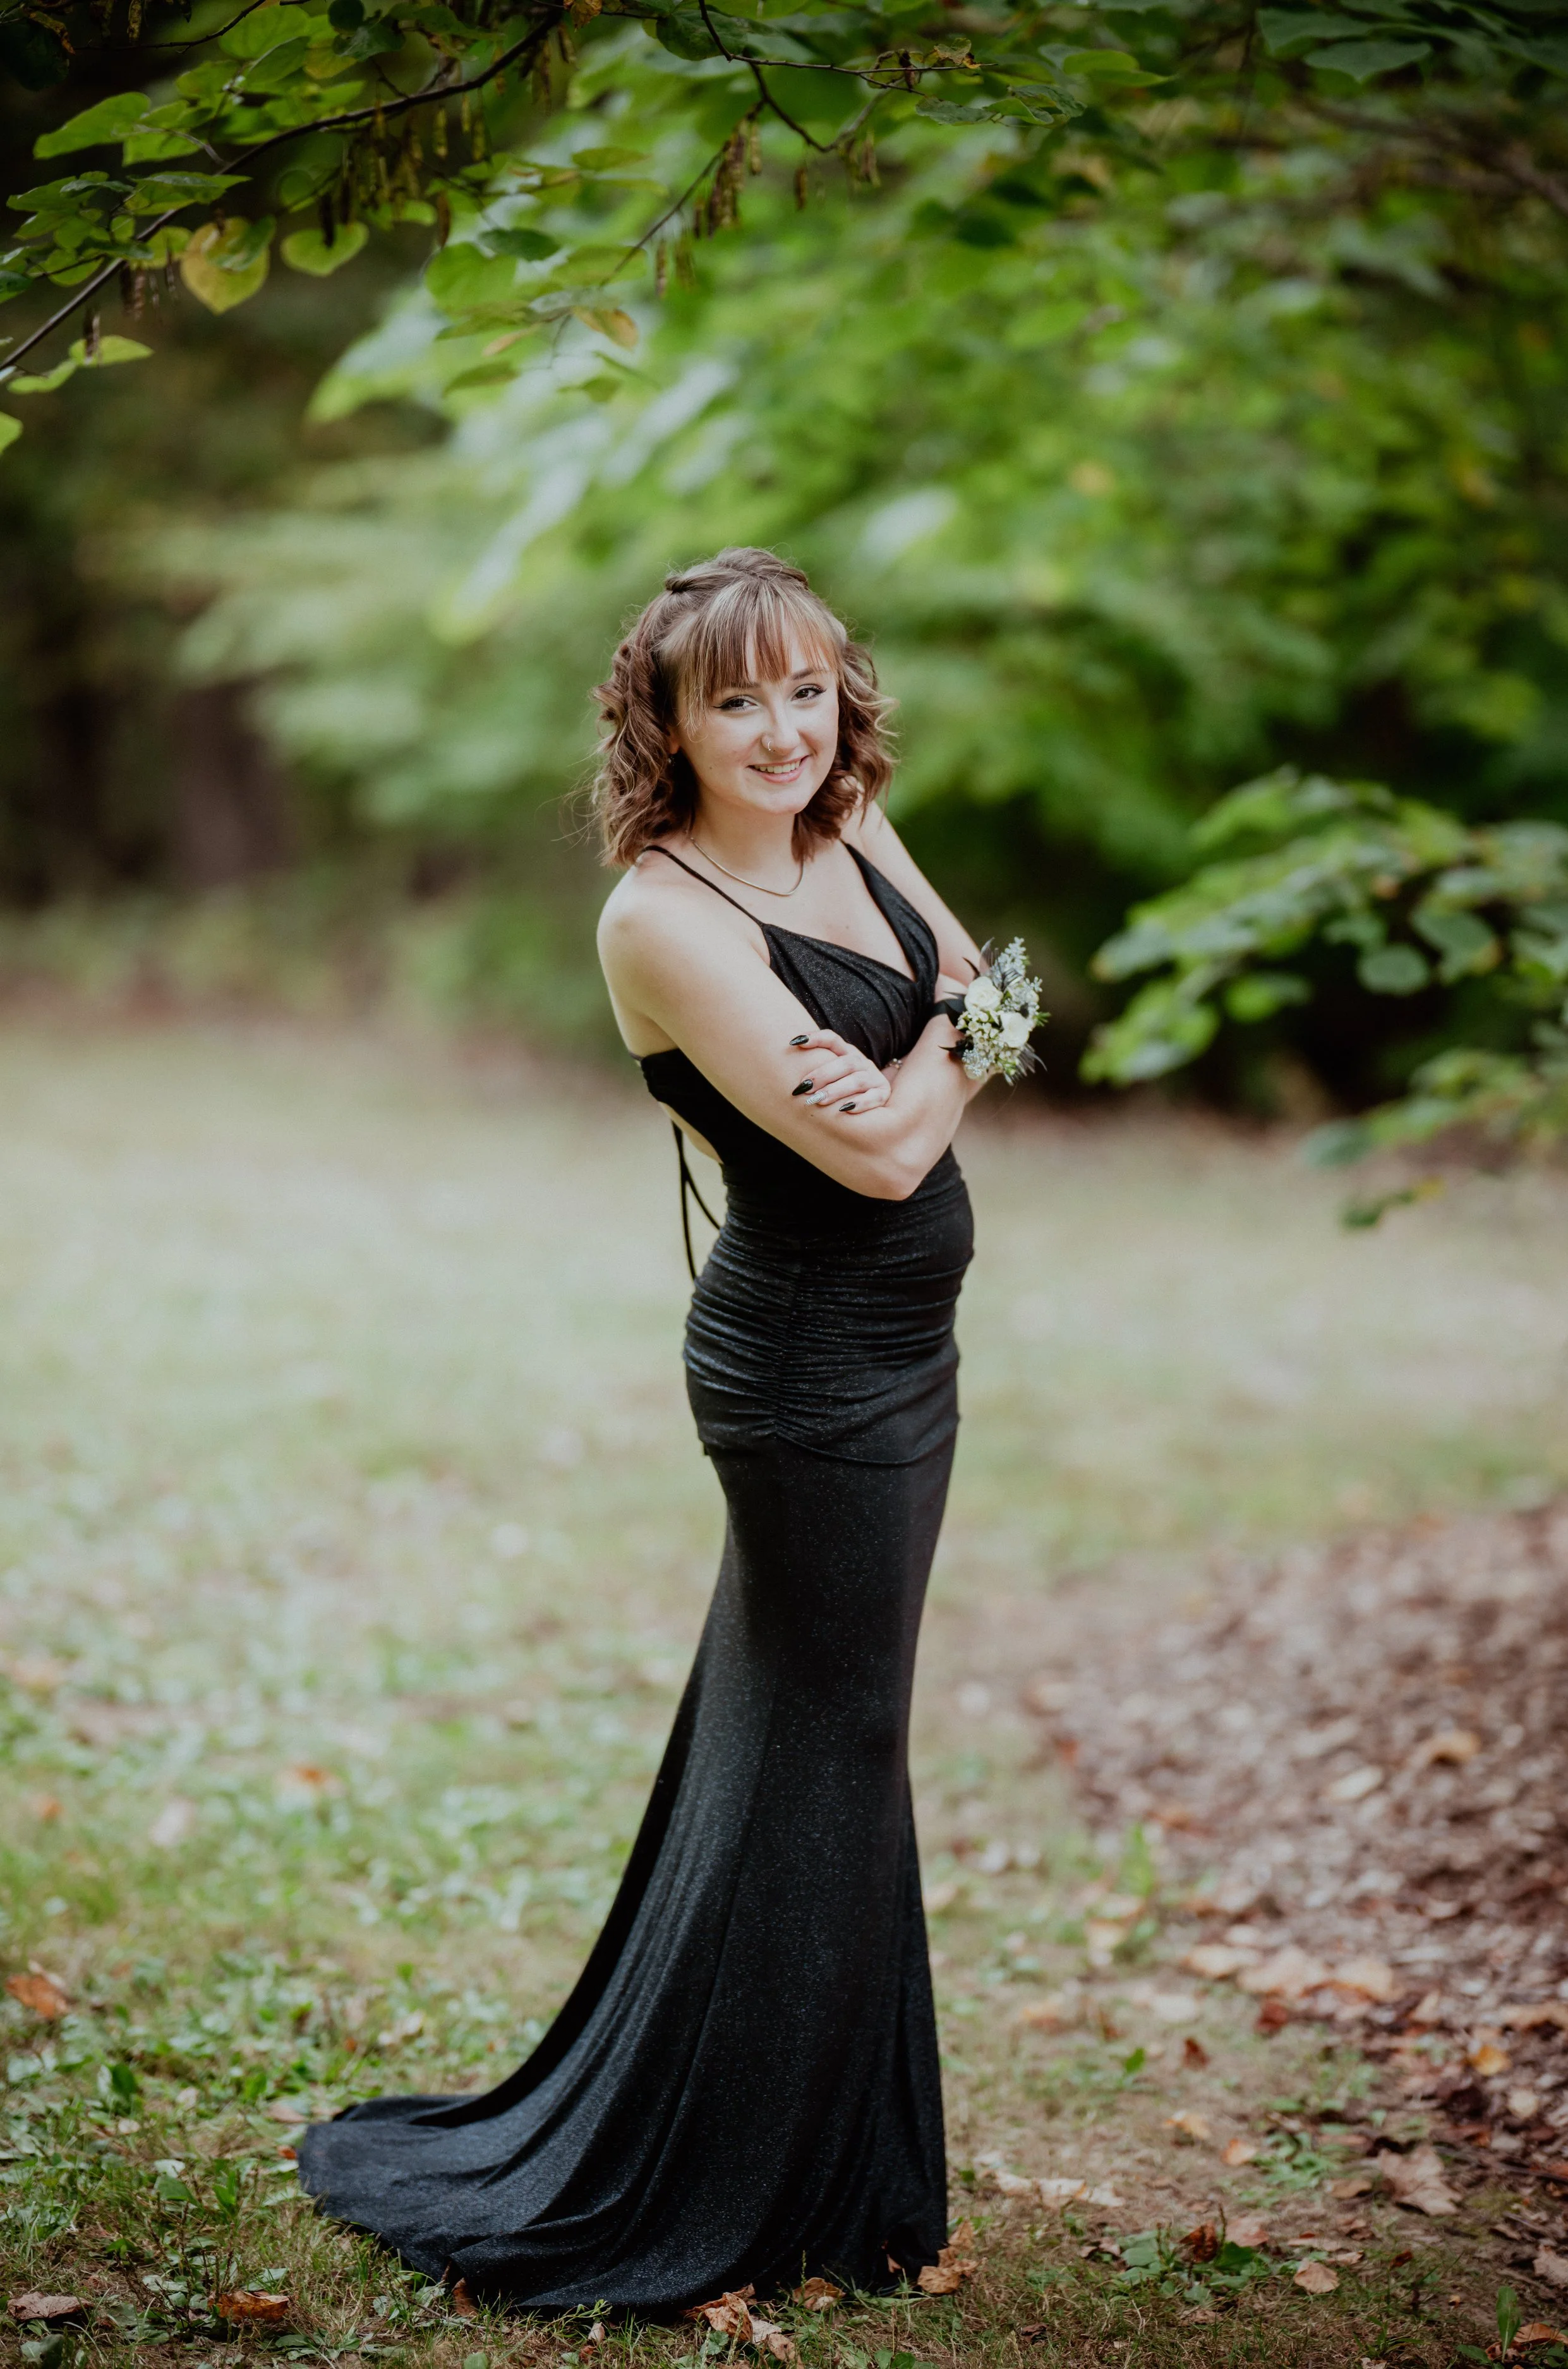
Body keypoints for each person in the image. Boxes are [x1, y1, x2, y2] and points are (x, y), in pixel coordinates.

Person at [296, 547, 986, 2313]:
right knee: (834, 1742)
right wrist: (945, 1058)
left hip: (911, 1347)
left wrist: (933, 1044)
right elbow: (897, 1148)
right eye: (735, 698)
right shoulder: (663, 917)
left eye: (807, 688)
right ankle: (739, 2183)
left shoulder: (850, 832)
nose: (781, 727)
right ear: (663, 724)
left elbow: (978, 986)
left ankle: (825, 2145)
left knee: (806, 1727)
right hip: (803, 1370)